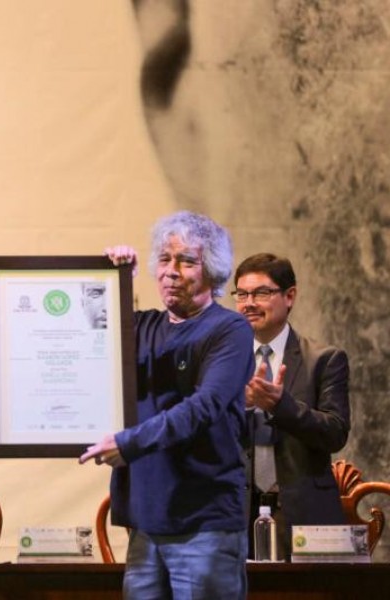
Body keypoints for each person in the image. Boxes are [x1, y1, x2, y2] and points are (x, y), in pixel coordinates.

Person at [79, 211, 254, 599]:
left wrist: (128, 443)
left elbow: (203, 406)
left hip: (204, 524)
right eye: (164, 259)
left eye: (186, 261)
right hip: (145, 522)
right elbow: (80, 336)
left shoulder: (229, 329)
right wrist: (116, 278)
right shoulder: (142, 327)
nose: (171, 271)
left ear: (212, 271)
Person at [233, 253, 349, 560]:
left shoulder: (324, 359)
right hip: (234, 512)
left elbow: (335, 432)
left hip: (303, 513)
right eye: (242, 294)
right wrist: (241, 407)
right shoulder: (225, 362)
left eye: (261, 293)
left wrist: (280, 405)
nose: (249, 303)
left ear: (290, 296)